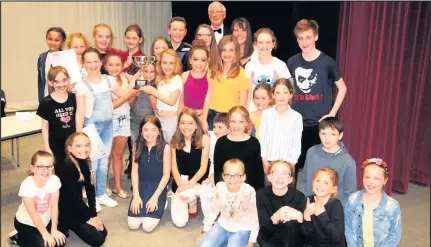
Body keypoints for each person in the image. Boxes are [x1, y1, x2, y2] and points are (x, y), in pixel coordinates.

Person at [287, 19, 347, 177]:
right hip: (296, 124)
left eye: (308, 37)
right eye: (300, 38)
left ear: (316, 37)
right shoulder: (292, 61)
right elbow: (290, 90)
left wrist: (332, 113)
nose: (304, 42)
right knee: (292, 166)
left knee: (319, 169)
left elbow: (342, 88)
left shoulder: (327, 62)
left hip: (319, 125)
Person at [75, 48, 129, 209]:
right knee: (93, 164)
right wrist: (79, 134)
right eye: (88, 61)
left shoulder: (108, 81)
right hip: (91, 128)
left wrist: (136, 81)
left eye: (95, 61)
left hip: (108, 127)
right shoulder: (81, 86)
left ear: (100, 62)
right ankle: (92, 199)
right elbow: (80, 111)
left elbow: (125, 94)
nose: (92, 65)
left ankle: (101, 194)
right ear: (83, 64)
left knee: (104, 162)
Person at [57, 133, 108, 246]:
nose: (84, 149)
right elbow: (71, 199)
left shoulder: (84, 161)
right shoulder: (67, 166)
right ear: (70, 148)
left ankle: (74, 225)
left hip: (77, 204)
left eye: (87, 145)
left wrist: (94, 215)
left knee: (103, 232)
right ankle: (65, 224)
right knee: (98, 240)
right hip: (64, 209)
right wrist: (87, 219)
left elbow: (90, 191)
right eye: (78, 146)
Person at [9, 151, 66, 247]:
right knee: (45, 244)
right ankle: (18, 237)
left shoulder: (54, 180)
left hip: (45, 220)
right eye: (40, 166)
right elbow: (33, 213)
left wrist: (54, 230)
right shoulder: (27, 185)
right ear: (32, 168)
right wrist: (45, 234)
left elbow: (54, 206)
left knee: (60, 242)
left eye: (49, 166)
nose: (46, 170)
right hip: (27, 222)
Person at [197, 159, 258, 247]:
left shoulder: (249, 191)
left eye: (236, 175)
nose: (231, 179)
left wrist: (252, 241)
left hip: (242, 229)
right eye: (228, 175)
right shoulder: (220, 187)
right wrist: (205, 230)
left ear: (243, 177)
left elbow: (254, 217)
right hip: (223, 225)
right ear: (223, 176)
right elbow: (213, 211)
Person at [103, 52, 139, 199]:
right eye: (110, 64)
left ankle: (118, 185)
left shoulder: (124, 79)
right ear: (104, 66)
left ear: (122, 65)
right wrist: (130, 92)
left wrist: (131, 95)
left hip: (124, 120)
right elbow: (113, 104)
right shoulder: (105, 81)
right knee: (107, 155)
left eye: (117, 64)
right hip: (109, 121)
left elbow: (129, 102)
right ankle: (104, 184)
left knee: (118, 154)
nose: (114, 67)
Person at [298, 117, 356, 206]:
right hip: (310, 205)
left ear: (340, 135)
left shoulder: (347, 161)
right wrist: (305, 202)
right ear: (319, 134)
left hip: (333, 211)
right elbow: (304, 180)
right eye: (323, 133)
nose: (327, 138)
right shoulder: (312, 152)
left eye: (333, 134)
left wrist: (337, 211)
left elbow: (350, 193)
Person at [345, 158, 402, 246]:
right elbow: (347, 227)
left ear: (385, 180)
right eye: (367, 177)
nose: (371, 182)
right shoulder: (352, 200)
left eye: (376, 178)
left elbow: (395, 235)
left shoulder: (392, 206)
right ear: (362, 177)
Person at [128, 115, 170, 232]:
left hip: (158, 187)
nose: (149, 133)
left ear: (159, 131)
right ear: (141, 131)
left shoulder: (165, 148)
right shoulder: (136, 146)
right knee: (133, 224)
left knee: (147, 227)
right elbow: (134, 172)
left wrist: (155, 198)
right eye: (146, 130)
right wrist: (136, 195)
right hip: (140, 187)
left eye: (153, 130)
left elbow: (166, 176)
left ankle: (163, 201)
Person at [170, 109, 210, 227]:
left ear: (197, 125)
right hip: (180, 181)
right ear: (178, 125)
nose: (186, 127)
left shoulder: (204, 139)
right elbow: (174, 167)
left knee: (190, 195)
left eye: (190, 123)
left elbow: (203, 167)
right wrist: (179, 184)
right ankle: (188, 198)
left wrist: (190, 183)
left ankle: (193, 200)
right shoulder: (174, 140)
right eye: (182, 123)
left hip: (198, 181)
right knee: (180, 222)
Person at [213, 106, 264, 191]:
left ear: (246, 123)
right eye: (233, 121)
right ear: (228, 122)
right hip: (227, 189)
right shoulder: (221, 142)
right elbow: (218, 172)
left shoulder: (253, 143)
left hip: (248, 190)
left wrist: (257, 195)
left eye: (240, 122)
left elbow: (258, 173)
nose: (236, 125)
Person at [256, 160, 306, 247]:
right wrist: (275, 218)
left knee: (290, 225)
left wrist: (300, 218)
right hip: (269, 240)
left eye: (285, 173)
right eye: (275, 172)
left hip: (291, 241)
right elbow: (263, 233)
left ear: (290, 179)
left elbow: (305, 235)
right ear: (269, 177)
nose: (280, 177)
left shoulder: (299, 197)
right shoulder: (260, 195)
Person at [260, 79, 303, 176]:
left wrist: (292, 162)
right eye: (278, 92)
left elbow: (296, 142)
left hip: (288, 163)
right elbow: (263, 138)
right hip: (270, 161)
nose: (281, 96)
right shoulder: (267, 114)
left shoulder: (296, 117)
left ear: (291, 94)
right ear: (273, 95)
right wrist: (264, 160)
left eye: (285, 92)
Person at [207, 35, 251, 130]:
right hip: (211, 117)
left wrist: (238, 121)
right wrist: (203, 118)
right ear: (219, 52)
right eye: (224, 50)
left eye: (231, 50)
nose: (227, 54)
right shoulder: (212, 71)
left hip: (231, 118)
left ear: (236, 52)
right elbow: (208, 96)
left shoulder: (241, 73)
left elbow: (243, 102)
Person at [36, 66, 77, 166]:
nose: (61, 84)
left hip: (73, 141)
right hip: (56, 143)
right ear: (50, 83)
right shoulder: (46, 102)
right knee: (61, 168)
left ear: (69, 80)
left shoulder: (74, 98)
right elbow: (45, 127)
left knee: (75, 167)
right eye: (57, 81)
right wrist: (47, 146)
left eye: (64, 80)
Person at [142, 48, 183, 143]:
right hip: (158, 119)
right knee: (161, 149)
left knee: (170, 147)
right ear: (160, 63)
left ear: (176, 64)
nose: (167, 66)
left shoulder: (176, 79)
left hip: (170, 121)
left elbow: (171, 101)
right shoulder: (160, 78)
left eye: (171, 63)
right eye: (164, 62)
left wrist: (154, 92)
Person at [245, 28, 292, 112]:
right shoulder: (250, 65)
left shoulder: (280, 65)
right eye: (261, 42)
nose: (264, 46)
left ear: (273, 44)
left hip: (274, 114)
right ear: (255, 44)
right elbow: (247, 92)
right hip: (253, 113)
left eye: (268, 42)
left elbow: (287, 93)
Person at [301, 168, 346, 247]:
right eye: (318, 181)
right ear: (312, 182)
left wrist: (321, 215)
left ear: (333, 189)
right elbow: (306, 237)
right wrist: (307, 217)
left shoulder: (336, 205)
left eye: (326, 183)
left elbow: (337, 236)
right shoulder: (308, 201)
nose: (320, 185)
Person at [179, 39, 212, 132]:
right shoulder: (184, 76)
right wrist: (179, 117)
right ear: (190, 60)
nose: (199, 63)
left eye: (203, 60)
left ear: (208, 60)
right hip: (186, 118)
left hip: (203, 117)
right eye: (196, 59)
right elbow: (181, 100)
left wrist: (203, 118)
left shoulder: (210, 77)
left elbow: (209, 100)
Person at [37, 27, 66, 103]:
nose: (52, 42)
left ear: (62, 42)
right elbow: (41, 83)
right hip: (47, 98)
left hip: (63, 98)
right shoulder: (42, 57)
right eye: (50, 39)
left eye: (56, 40)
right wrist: (41, 102)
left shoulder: (66, 57)